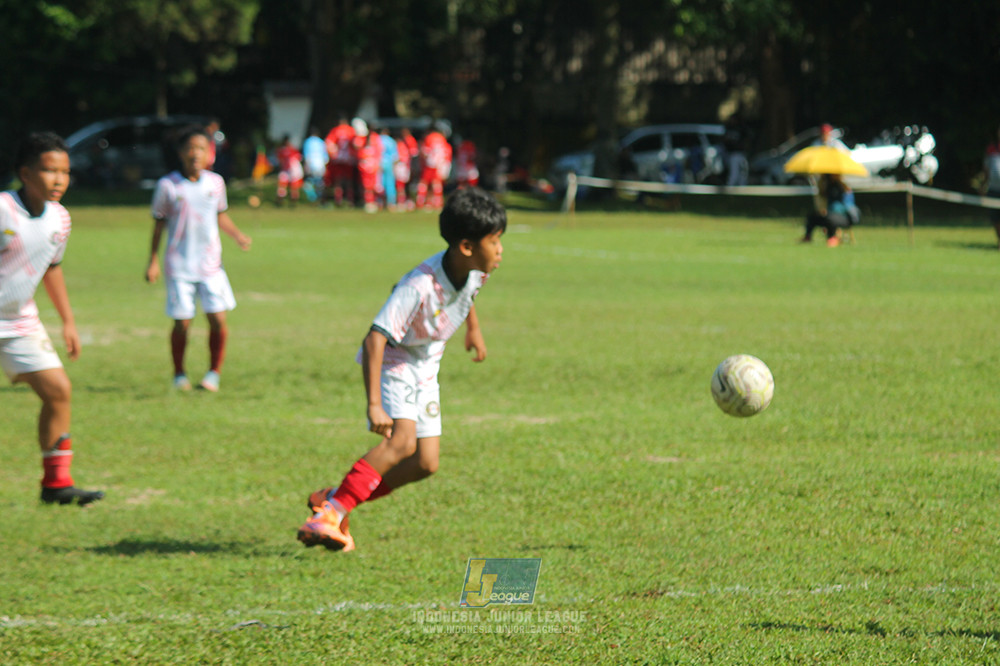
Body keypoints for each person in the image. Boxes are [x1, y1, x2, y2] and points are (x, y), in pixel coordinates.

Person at [297, 187, 507, 552]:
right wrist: (374, 404)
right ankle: (328, 515)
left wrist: (473, 329)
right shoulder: (419, 285)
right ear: (467, 246)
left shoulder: (475, 271)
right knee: (402, 442)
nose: (501, 249)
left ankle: (335, 498)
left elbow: (468, 294)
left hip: (427, 360)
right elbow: (374, 339)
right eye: (495, 241)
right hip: (395, 358)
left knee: (425, 463)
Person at [0, 131, 104, 506]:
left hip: (18, 321)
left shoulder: (60, 219)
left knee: (58, 391)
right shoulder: (3, 210)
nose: (59, 179)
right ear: (25, 173)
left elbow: (51, 269)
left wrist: (68, 321)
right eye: (49, 170)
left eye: (65, 171)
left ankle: (56, 484)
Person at [145, 125, 252, 392]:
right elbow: (158, 225)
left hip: (210, 265)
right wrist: (153, 260)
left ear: (209, 154)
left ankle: (213, 373)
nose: (196, 154)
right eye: (190, 148)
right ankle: (179, 374)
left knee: (218, 319)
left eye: (202, 148)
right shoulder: (168, 186)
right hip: (179, 265)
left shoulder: (215, 183)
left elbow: (219, 215)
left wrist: (237, 235)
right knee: (182, 322)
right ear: (180, 152)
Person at [801, 173, 859, 247]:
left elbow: (846, 206)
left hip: (844, 217)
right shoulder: (827, 187)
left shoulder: (843, 188)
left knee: (830, 218)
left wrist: (829, 211)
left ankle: (833, 237)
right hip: (830, 214)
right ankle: (807, 236)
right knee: (812, 216)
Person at [415, 127, 452, 210]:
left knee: (424, 182)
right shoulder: (442, 139)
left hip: (430, 163)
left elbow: (425, 152)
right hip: (440, 164)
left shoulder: (430, 137)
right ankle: (437, 202)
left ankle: (420, 201)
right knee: (436, 183)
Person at [323, 116, 356, 206]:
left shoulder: (335, 130)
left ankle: (339, 199)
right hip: (349, 159)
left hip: (338, 159)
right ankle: (350, 200)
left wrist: (332, 155)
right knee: (349, 181)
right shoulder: (351, 130)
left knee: (338, 181)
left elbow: (329, 143)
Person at [982, 125, 1000, 248]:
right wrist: (983, 184)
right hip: (993, 189)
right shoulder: (992, 148)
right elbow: (987, 169)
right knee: (995, 218)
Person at [275, 134, 304, 207]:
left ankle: (292, 203)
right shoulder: (288, 150)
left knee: (292, 188)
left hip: (292, 171)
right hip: (287, 171)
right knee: (283, 187)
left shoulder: (290, 150)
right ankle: (281, 202)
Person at [302, 127, 328, 202]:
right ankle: (321, 199)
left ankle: (313, 198)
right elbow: (325, 157)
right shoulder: (321, 142)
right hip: (321, 165)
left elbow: (307, 156)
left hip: (311, 165)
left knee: (308, 183)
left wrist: (306, 166)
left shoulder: (308, 141)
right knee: (320, 183)